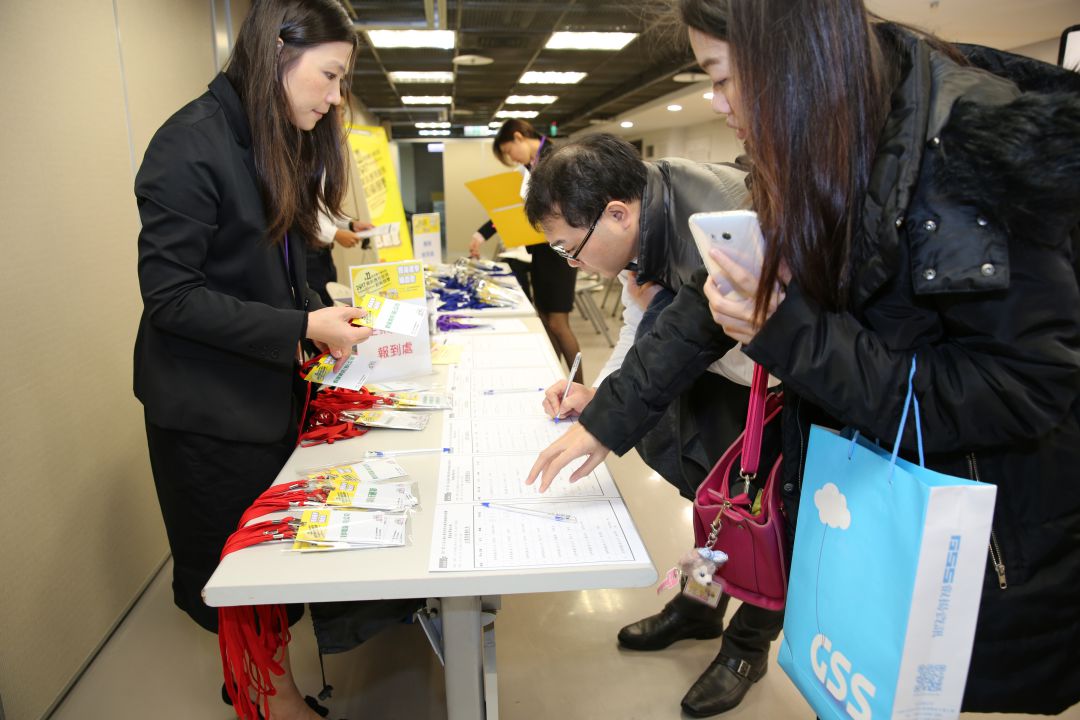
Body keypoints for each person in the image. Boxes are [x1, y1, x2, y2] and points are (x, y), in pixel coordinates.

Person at [532, 0, 1080, 715]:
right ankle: (711, 610)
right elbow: (705, 304)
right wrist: (607, 418)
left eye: (724, 78)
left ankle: (741, 640)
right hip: (856, 482)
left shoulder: (961, 150)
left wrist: (788, 330)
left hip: (972, 534)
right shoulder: (807, 142)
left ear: (792, 59)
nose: (716, 101)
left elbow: (1019, 389)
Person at [134, 1, 372, 716]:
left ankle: (276, 689)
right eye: (328, 77)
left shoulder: (276, 136)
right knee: (244, 577)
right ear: (276, 52)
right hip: (210, 407)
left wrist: (321, 317)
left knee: (278, 568)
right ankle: (266, 699)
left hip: (271, 390)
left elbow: (275, 258)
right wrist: (303, 322)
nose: (334, 97)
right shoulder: (189, 144)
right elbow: (170, 297)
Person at [524, 132, 782, 717]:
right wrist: (602, 396)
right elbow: (642, 329)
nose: (573, 264)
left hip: (778, 387)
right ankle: (699, 604)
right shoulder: (639, 219)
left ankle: (747, 646)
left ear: (615, 215)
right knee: (712, 502)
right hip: (723, 377)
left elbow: (750, 351)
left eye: (571, 249)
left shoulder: (719, 223)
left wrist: (619, 410)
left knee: (766, 519)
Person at [471, 119, 583, 382]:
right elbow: (513, 210)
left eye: (510, 151)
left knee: (558, 322)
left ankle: (580, 387)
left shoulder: (557, 159)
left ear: (519, 137)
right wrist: (481, 233)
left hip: (561, 251)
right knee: (544, 319)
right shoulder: (529, 167)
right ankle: (558, 381)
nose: (511, 158)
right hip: (542, 251)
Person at [306, 207, 373, 306]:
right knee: (318, 304)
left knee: (329, 299)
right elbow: (303, 217)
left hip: (324, 253)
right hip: (308, 256)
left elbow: (326, 212)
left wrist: (351, 224)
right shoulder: (298, 193)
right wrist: (335, 234)